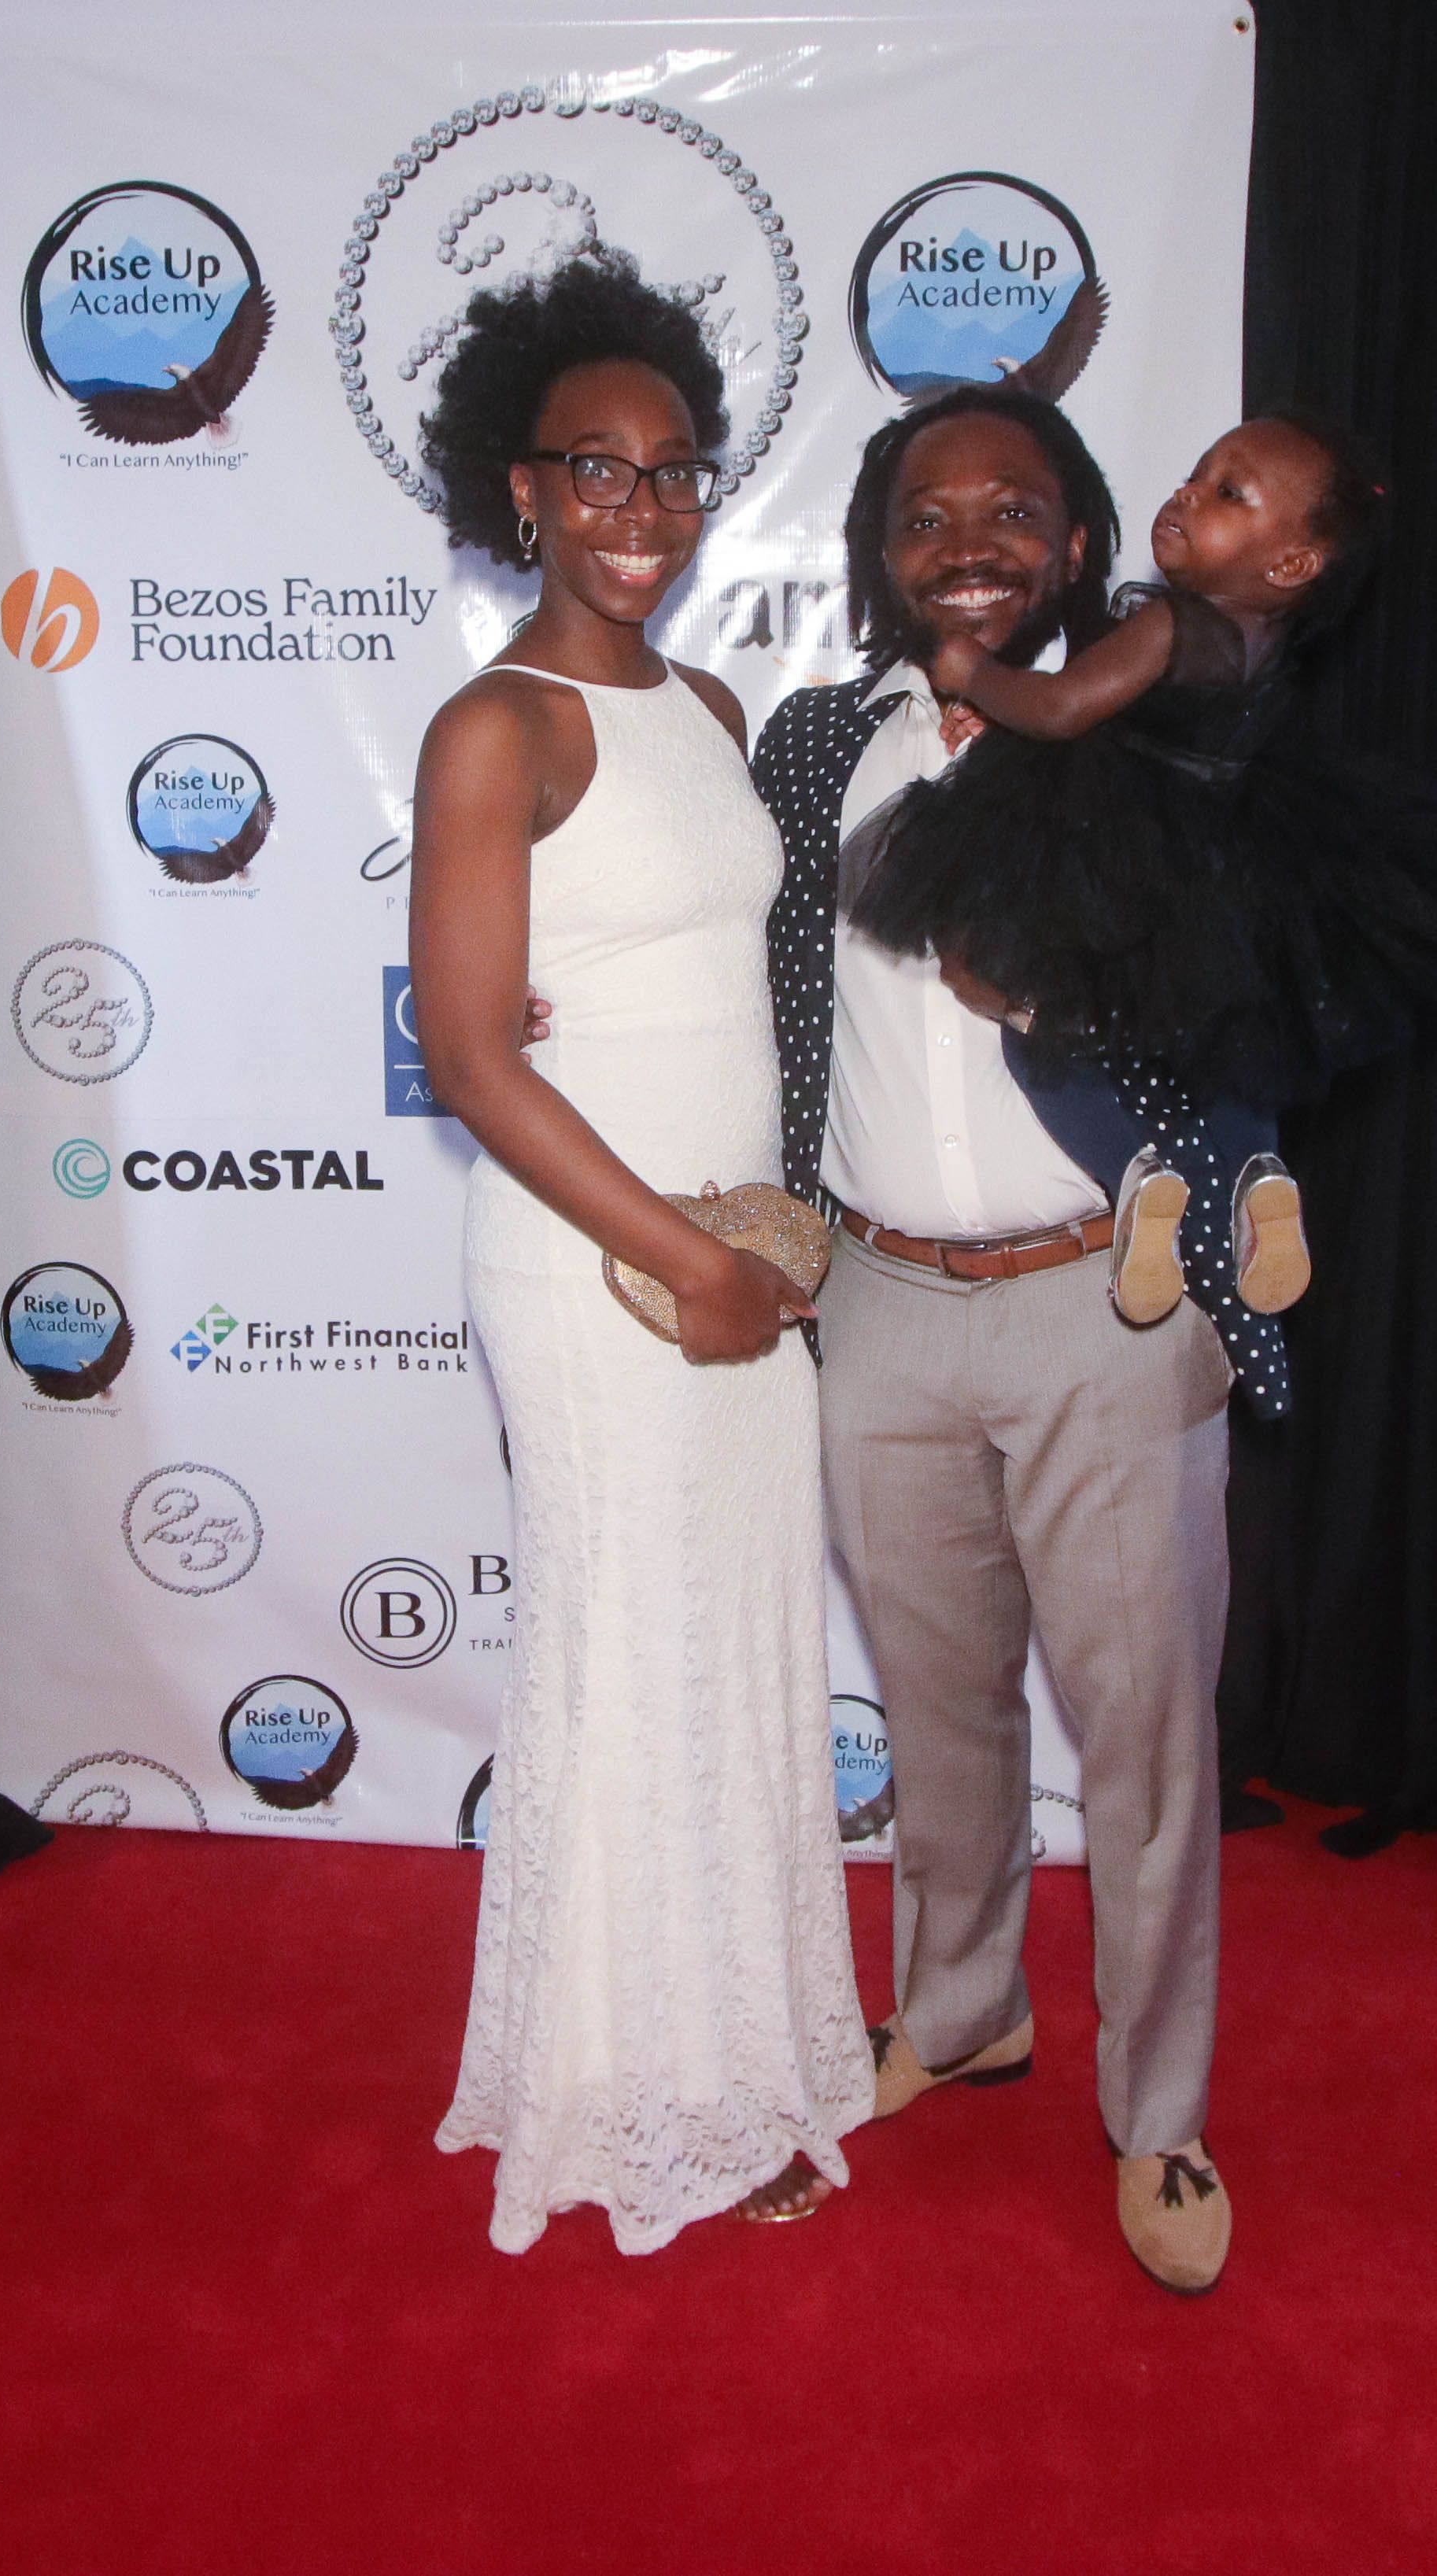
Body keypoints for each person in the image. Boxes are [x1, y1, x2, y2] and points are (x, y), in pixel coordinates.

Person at [754, 385, 1247, 2292]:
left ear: (1076, 538)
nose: (967, 541)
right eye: (925, 513)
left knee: (1142, 1736)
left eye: (1010, 508)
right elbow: (752, 968)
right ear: (880, 550)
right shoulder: (819, 744)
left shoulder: (1157, 728)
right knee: (936, 1701)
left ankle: (1158, 2108)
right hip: (874, 1299)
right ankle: (960, 2007)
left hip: (1105, 1293)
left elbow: (1249, 979)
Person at [410, 252, 873, 2257]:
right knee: (634, 1654)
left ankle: (736, 2047)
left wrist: (752, 1244)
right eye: (592, 468)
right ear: (519, 489)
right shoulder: (494, 727)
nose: (639, 506)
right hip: (596, 1265)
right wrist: (680, 1259)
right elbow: (467, 1052)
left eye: (672, 468)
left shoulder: (708, 703)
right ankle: (646, 2095)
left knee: (733, 1646)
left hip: (732, 1257)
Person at [850, 413, 1433, 1329]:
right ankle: (1255, 1177)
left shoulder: (1168, 621)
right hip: (1230, 861)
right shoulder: (1263, 643)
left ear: (1290, 564)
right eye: (1195, 474)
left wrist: (970, 671)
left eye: (1225, 493)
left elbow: (1057, 708)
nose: (1187, 494)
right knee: (1227, 1034)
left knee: (1038, 1037)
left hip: (1130, 849)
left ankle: (1137, 1176)